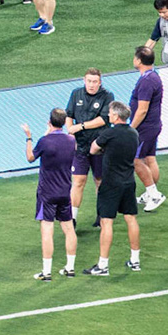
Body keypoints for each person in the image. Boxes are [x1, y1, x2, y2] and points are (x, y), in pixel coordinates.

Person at [87, 101, 143, 275]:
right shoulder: (134, 133)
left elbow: (93, 149)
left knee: (106, 221)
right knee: (131, 219)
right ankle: (135, 260)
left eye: (111, 113)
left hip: (111, 184)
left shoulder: (109, 133)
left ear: (117, 116)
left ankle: (103, 265)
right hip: (129, 182)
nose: (109, 115)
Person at [24, 111, 79, 280]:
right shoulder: (71, 141)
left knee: (47, 230)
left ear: (49, 122)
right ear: (63, 122)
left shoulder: (44, 142)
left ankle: (46, 272)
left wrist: (28, 138)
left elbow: (30, 157)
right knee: (69, 229)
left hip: (47, 193)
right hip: (64, 192)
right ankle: (70, 268)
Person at [65, 68, 114, 226]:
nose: (91, 85)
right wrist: (70, 133)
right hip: (80, 146)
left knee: (99, 180)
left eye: (95, 82)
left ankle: (101, 215)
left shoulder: (107, 96)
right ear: (84, 81)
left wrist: (80, 127)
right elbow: (69, 115)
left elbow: (104, 119)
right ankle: (72, 218)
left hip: (99, 146)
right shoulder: (76, 94)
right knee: (78, 180)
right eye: (89, 81)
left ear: (100, 83)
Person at [129, 46, 167, 213]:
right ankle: (149, 193)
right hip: (152, 125)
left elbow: (142, 109)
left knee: (136, 160)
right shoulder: (153, 76)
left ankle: (154, 194)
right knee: (149, 159)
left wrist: (130, 128)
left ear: (138, 60)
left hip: (144, 128)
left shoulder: (146, 81)